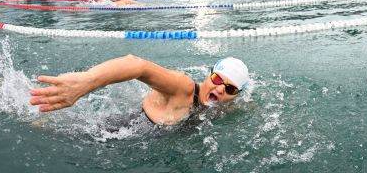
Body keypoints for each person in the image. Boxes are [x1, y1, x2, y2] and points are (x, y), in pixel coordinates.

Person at [29, 56, 250, 126]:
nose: (220, 89)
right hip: (116, 133)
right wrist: (86, 82)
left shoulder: (218, 108)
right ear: (208, 74)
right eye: (217, 78)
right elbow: (137, 65)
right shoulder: (183, 87)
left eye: (229, 88)